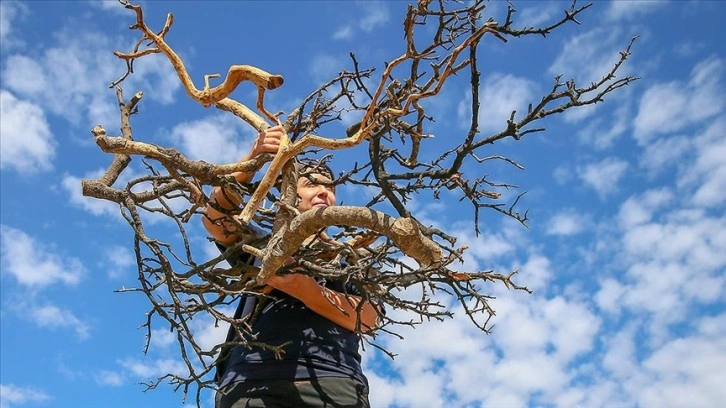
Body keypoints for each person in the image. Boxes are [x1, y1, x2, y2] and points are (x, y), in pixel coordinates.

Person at [202, 124, 381, 408]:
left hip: (332, 382)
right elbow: (217, 222)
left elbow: (369, 318)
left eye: (329, 186)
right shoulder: (261, 243)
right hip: (248, 383)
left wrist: (307, 290)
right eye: (311, 184)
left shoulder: (351, 257)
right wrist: (252, 160)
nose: (324, 191)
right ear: (288, 192)